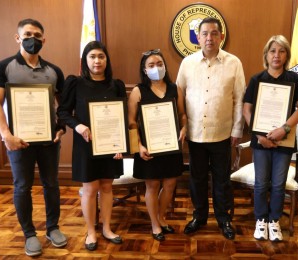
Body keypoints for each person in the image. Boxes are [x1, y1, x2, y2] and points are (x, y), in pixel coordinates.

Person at [0, 18, 67, 256]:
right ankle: (29, 234)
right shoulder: (3, 68)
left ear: (44, 39)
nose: (33, 39)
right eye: (28, 34)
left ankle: (53, 228)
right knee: (22, 186)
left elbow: (62, 106)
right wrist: (6, 136)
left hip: (48, 140)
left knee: (51, 184)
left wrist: (61, 127)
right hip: (18, 141)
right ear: (18, 37)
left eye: (38, 35)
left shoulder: (54, 71)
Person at [176, 17, 246, 240]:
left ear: (221, 37)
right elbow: (179, 97)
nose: (209, 38)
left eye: (214, 33)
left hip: (222, 133)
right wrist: (183, 125)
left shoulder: (234, 62)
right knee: (196, 178)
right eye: (204, 33)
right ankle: (199, 216)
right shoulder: (187, 63)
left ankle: (224, 219)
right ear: (197, 37)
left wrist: (236, 130)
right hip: (195, 133)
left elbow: (239, 98)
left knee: (222, 178)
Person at [57, 41, 125, 251]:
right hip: (85, 145)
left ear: (107, 60)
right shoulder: (75, 83)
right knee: (89, 189)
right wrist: (77, 126)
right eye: (93, 56)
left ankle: (106, 228)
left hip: (110, 146)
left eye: (101, 56)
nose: (97, 61)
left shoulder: (117, 85)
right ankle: (91, 231)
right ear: (85, 60)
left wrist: (120, 144)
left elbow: (121, 117)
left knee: (106, 187)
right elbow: (63, 112)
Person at [242, 35, 298, 242]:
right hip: (260, 141)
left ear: (287, 55)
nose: (277, 55)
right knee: (261, 183)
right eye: (273, 51)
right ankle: (260, 219)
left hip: (284, 140)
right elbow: (246, 109)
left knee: (279, 184)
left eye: (281, 51)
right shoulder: (257, 79)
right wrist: (259, 135)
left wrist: (285, 128)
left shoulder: (294, 79)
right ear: (266, 54)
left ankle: (274, 221)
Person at [128, 49, 187, 242]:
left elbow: (181, 115)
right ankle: (154, 223)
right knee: (152, 185)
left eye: (159, 64)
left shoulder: (174, 88)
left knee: (170, 184)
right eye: (151, 65)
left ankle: (161, 217)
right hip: (148, 148)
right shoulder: (138, 91)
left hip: (170, 145)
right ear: (144, 70)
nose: (156, 68)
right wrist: (138, 146)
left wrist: (184, 127)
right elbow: (131, 122)